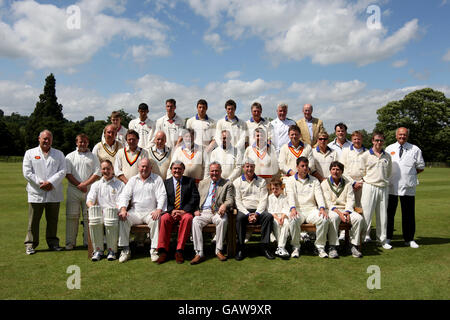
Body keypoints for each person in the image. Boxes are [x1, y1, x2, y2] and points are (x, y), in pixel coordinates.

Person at [23, 130, 66, 254]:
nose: (46, 141)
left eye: (49, 139)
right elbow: (27, 172)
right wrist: (41, 183)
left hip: (54, 192)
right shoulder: (30, 153)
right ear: (39, 139)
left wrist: (51, 182)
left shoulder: (59, 154)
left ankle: (53, 243)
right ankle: (30, 244)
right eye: (44, 139)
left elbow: (62, 171)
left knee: (53, 220)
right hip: (36, 192)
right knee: (33, 221)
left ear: (52, 140)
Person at [117, 158, 167, 263]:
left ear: (151, 168)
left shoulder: (157, 179)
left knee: (156, 219)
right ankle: (125, 250)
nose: (144, 168)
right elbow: (125, 196)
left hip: (150, 212)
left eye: (146, 166)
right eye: (142, 166)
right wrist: (123, 209)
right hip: (135, 212)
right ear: (138, 167)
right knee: (123, 218)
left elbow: (162, 196)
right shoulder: (133, 180)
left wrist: (158, 210)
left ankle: (154, 250)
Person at [385, 127, 425, 248]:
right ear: (396, 135)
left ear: (407, 136)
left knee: (408, 214)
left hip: (408, 186)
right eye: (400, 135)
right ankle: (387, 238)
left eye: (404, 135)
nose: (402, 137)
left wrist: (408, 175)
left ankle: (409, 239)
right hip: (392, 186)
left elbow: (420, 167)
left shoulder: (415, 149)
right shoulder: (389, 148)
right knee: (389, 214)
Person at [285, 156, 329, 258]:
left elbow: (319, 195)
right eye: (302, 166)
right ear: (297, 167)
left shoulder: (314, 180)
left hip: (311, 209)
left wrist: (322, 208)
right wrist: (293, 209)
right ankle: (296, 247)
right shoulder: (290, 180)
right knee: (293, 219)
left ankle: (320, 247)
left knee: (324, 219)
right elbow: (290, 195)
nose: (305, 168)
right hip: (297, 209)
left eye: (306, 166)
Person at [191, 162, 235, 264]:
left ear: (220, 172)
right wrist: (196, 209)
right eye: (212, 171)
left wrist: (224, 205)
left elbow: (230, 199)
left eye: (216, 171)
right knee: (195, 221)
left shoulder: (227, 184)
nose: (214, 173)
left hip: (218, 211)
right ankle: (199, 253)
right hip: (204, 212)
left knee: (223, 220)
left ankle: (218, 250)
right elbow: (196, 199)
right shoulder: (202, 183)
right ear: (209, 172)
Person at [156, 161, 200, 264]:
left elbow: (194, 198)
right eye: (175, 168)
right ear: (171, 170)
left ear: (183, 170)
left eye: (179, 169)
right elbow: (163, 198)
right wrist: (172, 210)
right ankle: (163, 251)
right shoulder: (165, 183)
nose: (177, 171)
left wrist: (184, 211)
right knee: (164, 218)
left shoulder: (190, 181)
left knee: (188, 218)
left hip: (185, 212)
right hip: (171, 212)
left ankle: (179, 250)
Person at [321, 161, 365, 258]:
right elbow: (327, 202)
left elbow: (351, 199)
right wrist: (339, 213)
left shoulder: (348, 183)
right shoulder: (325, 183)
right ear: (330, 171)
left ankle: (353, 246)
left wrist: (347, 211)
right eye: (333, 169)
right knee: (333, 217)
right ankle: (332, 247)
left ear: (342, 171)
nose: (335, 172)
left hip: (346, 209)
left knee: (358, 219)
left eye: (338, 169)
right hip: (332, 210)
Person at [65, 133, 101, 250]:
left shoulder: (93, 156)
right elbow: (68, 173)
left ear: (88, 143)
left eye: (85, 142)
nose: (83, 144)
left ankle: (88, 242)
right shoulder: (69, 156)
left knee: (88, 217)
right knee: (72, 216)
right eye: (81, 141)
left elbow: (97, 173)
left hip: (89, 190)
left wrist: (85, 184)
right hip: (73, 190)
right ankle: (70, 243)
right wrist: (79, 185)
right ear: (76, 142)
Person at [233, 159, 274, 261]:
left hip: (258, 211)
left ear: (254, 167)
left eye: (251, 166)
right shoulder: (237, 182)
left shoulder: (262, 181)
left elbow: (263, 200)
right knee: (240, 217)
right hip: (244, 211)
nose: (249, 169)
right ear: (243, 168)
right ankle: (240, 248)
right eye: (247, 166)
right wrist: (248, 214)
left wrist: (256, 214)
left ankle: (264, 247)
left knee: (268, 217)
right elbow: (238, 202)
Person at [86, 159, 125, 261]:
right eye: (103, 169)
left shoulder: (120, 184)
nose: (106, 171)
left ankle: (112, 250)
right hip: (100, 215)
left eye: (108, 168)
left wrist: (116, 210)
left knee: (110, 215)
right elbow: (89, 200)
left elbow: (122, 202)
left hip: (115, 214)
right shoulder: (96, 184)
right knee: (94, 215)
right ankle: (98, 250)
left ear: (112, 170)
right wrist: (92, 208)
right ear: (101, 170)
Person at [360, 131, 392, 249]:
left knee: (383, 215)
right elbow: (361, 172)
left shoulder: (387, 156)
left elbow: (388, 172)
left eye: (381, 140)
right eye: (377, 140)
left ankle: (382, 240)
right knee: (366, 215)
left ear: (383, 142)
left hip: (383, 187)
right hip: (369, 186)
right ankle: (362, 238)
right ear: (372, 141)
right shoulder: (365, 155)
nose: (379, 142)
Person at [339, 130, 367, 208]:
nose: (357, 141)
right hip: (348, 183)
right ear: (351, 140)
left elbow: (369, 171)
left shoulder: (367, 152)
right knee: (348, 207)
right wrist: (353, 183)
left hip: (362, 185)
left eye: (359, 139)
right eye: (355, 139)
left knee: (362, 208)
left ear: (362, 139)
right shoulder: (345, 151)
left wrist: (361, 183)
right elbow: (342, 169)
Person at [267, 178, 290, 259]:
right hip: (274, 216)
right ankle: (281, 247)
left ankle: (280, 247)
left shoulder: (284, 197)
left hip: (283, 216)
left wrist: (283, 218)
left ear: (281, 188)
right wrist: (277, 218)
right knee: (276, 224)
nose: (275, 190)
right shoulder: (270, 197)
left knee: (286, 224)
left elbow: (286, 208)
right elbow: (270, 210)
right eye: (273, 188)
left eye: (277, 188)